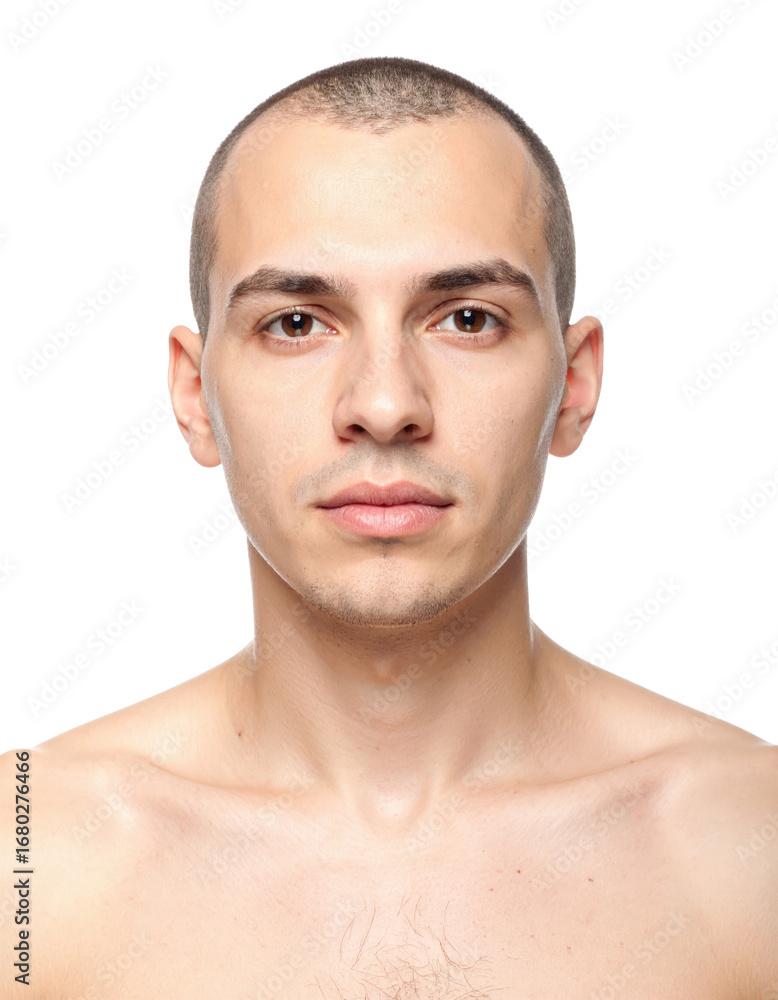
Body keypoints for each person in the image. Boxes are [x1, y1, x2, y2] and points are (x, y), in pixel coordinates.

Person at [3, 56, 776, 999]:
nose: (382, 403)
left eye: (466, 317)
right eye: (295, 322)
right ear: (193, 395)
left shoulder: (754, 856)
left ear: (574, 386)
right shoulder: (26, 868)